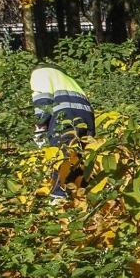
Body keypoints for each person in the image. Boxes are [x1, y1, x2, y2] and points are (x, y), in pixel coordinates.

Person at [30, 65, 95, 200]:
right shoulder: (67, 79)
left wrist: (39, 127)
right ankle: (83, 198)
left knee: (61, 159)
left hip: (65, 117)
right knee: (80, 160)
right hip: (86, 117)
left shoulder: (39, 73)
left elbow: (43, 102)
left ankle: (58, 200)